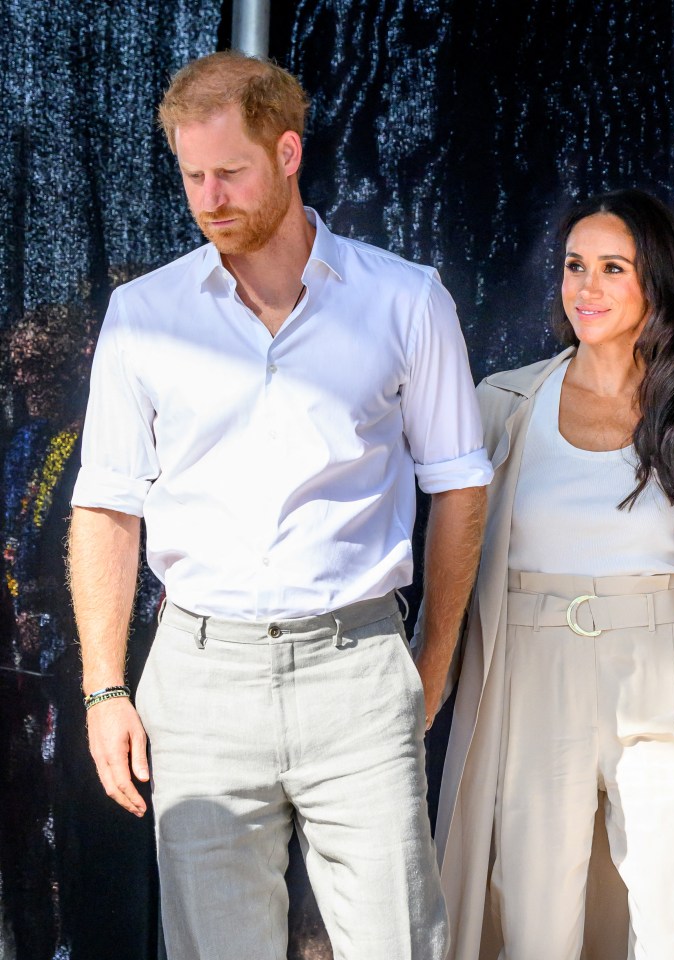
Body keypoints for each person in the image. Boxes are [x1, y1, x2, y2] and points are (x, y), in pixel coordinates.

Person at [68, 51, 491, 960]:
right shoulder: (144, 314)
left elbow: (458, 485)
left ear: (289, 152)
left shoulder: (405, 300)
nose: (209, 197)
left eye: (230, 172)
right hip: (200, 674)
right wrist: (104, 685)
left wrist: (434, 660)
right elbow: (105, 506)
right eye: (191, 176)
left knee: (398, 946)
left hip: (357, 667)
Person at [424, 188, 674, 960]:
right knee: (534, 928)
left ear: (652, 284)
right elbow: (449, 561)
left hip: (664, 678)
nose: (585, 287)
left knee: (673, 922)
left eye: (611, 268)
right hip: (530, 681)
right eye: (573, 266)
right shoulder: (504, 404)